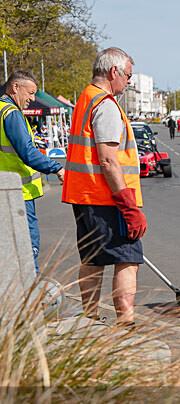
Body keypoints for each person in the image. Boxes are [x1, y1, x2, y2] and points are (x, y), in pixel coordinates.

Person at [62, 47, 145, 325]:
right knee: (127, 260)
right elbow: (109, 160)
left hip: (84, 196)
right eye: (129, 76)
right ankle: (126, 323)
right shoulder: (106, 105)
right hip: (107, 199)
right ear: (114, 72)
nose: (129, 81)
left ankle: (91, 319)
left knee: (93, 260)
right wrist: (128, 204)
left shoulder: (85, 99)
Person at [0, 70, 65, 274]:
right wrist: (57, 168)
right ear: (15, 88)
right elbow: (27, 152)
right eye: (30, 93)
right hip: (18, 193)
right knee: (27, 248)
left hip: (7, 190)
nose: (33, 98)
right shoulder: (12, 114)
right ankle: (29, 298)